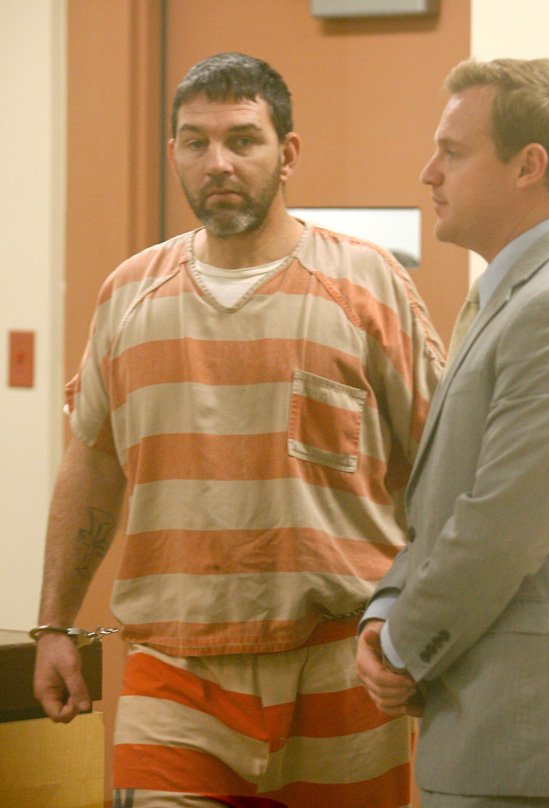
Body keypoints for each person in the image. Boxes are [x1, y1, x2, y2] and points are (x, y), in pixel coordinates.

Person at [32, 52, 444, 808]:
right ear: (174, 155)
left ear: (287, 153)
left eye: (243, 140)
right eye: (196, 142)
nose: (217, 162)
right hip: (175, 672)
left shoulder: (367, 283)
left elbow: (438, 468)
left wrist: (429, 628)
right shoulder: (129, 294)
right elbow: (90, 462)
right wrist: (54, 623)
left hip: (343, 666)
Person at [356, 56, 549, 808]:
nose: (429, 172)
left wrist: (400, 643)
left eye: (454, 152)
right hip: (490, 723)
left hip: (525, 741)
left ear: (530, 166)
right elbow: (443, 502)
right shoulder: (510, 297)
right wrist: (384, 607)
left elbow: (503, 523)